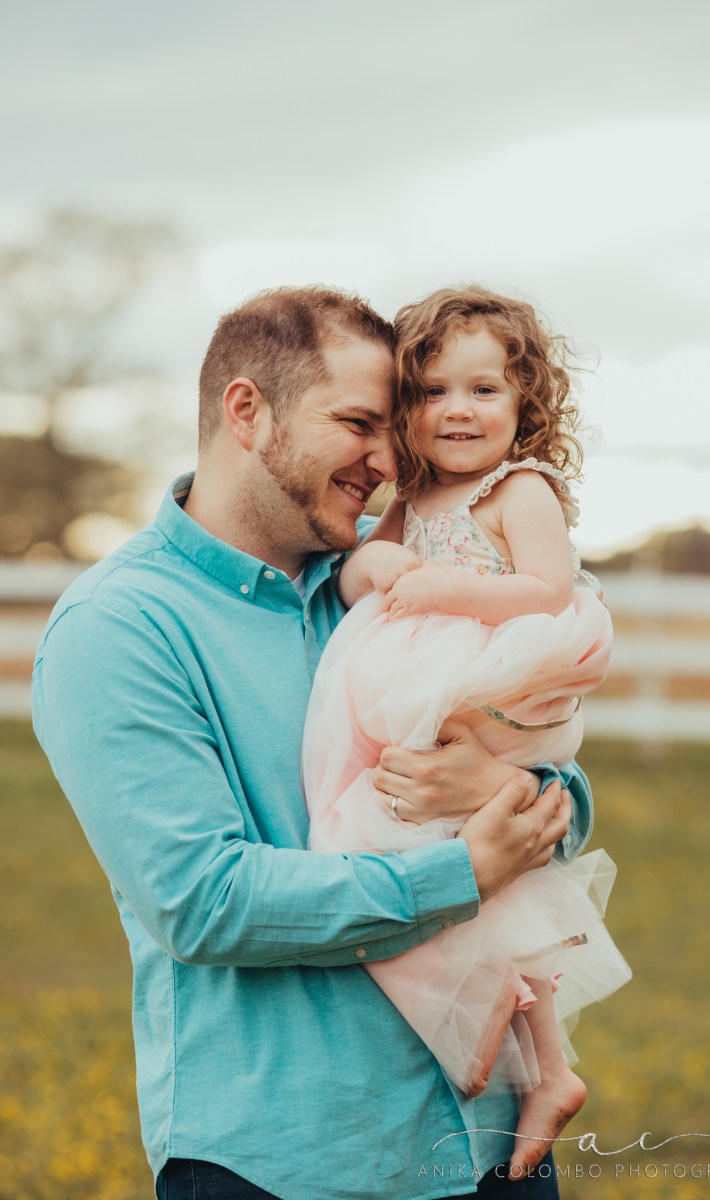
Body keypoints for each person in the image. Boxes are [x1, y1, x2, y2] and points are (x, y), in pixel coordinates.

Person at [32, 285, 588, 1200]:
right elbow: (205, 902)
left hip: (495, 1141)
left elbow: (565, 789)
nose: (391, 457)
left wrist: (496, 786)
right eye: (361, 423)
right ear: (247, 411)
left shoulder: (403, 575)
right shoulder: (119, 627)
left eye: (393, 427)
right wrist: (462, 872)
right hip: (295, 1161)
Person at [303, 287, 630, 1176]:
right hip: (425, 690)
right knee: (438, 853)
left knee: (491, 852)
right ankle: (529, 1052)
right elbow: (355, 574)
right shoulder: (414, 493)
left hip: (498, 685)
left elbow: (547, 591)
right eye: (432, 391)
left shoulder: (519, 489)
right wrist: (378, 559)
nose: (457, 410)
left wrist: (445, 589)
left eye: (483, 390)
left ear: (526, 404)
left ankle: (541, 1057)